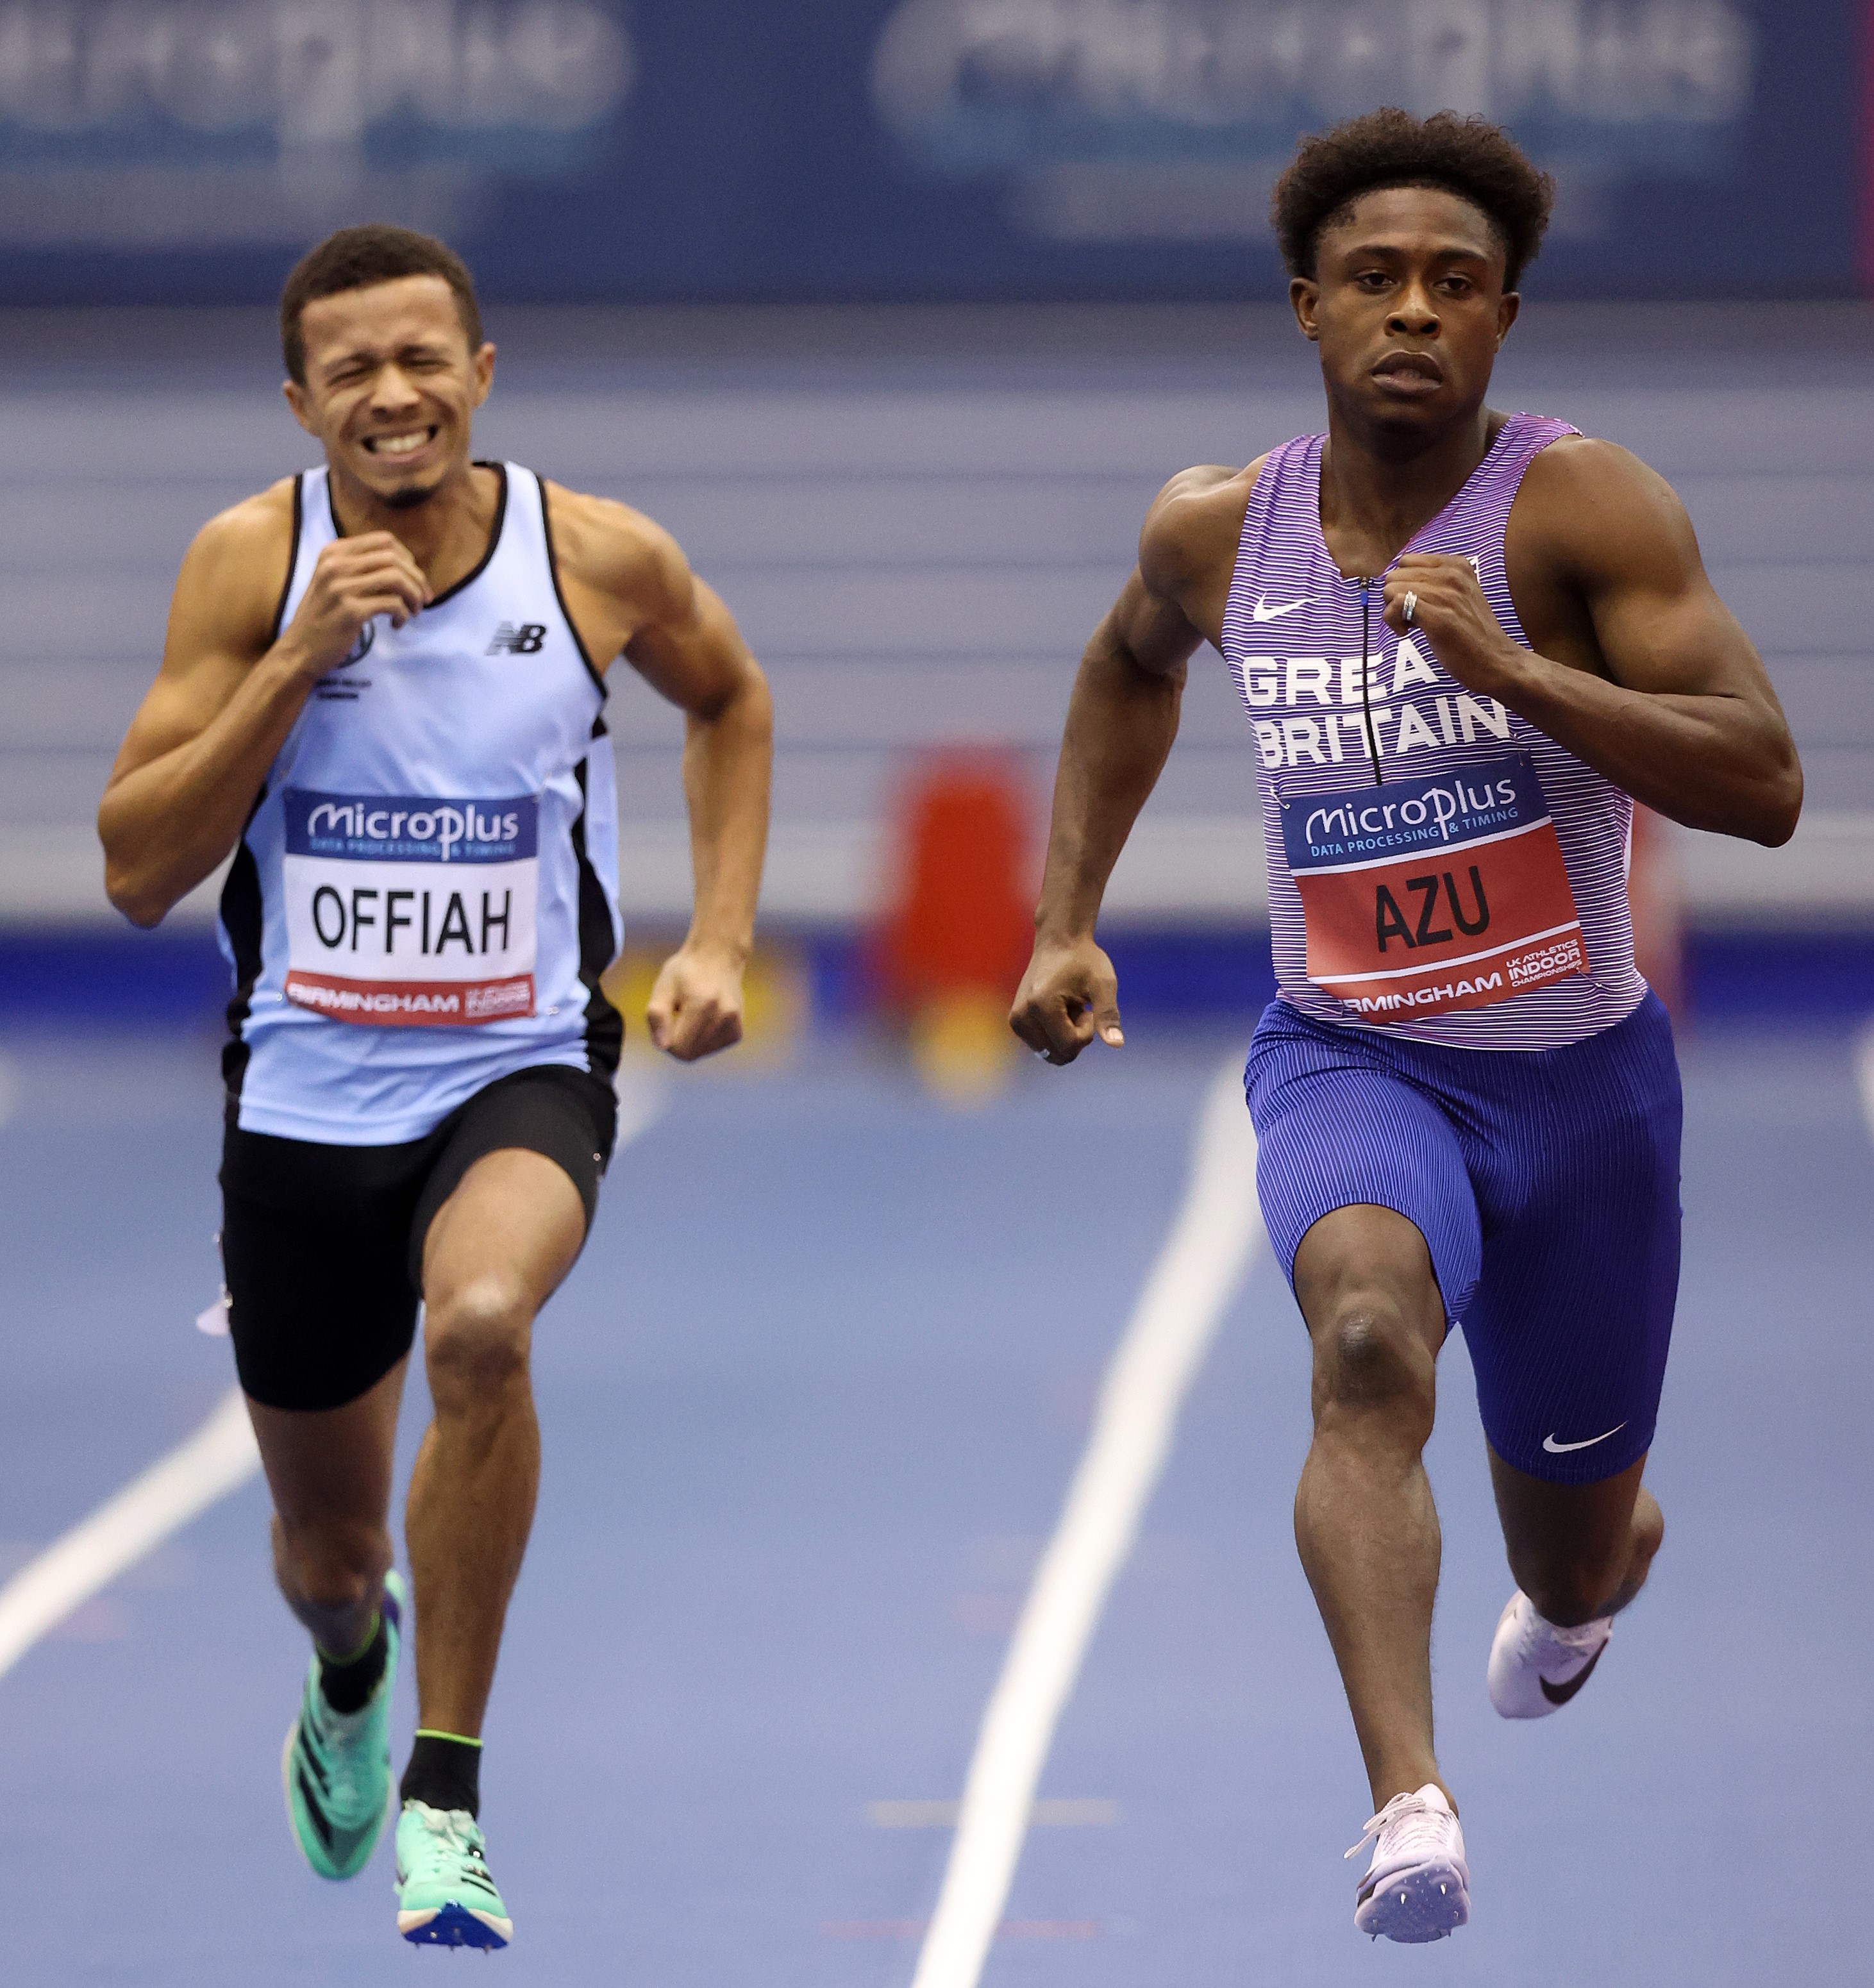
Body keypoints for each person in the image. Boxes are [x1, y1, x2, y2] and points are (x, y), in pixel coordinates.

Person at [1010, 109, 1800, 1944]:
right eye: (1374, 278)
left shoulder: (1585, 506)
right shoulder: (1216, 529)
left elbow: (1762, 782)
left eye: (1455, 284)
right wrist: (1064, 920)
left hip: (1584, 1101)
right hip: (1352, 1060)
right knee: (1363, 1338)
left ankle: (1601, 1556)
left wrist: (1516, 673)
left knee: (1567, 1541)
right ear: (1308, 306)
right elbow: (1126, 667)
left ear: (1502, 318)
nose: (1412, 312)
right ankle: (1408, 1806)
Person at [98, 225, 772, 1950]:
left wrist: (716, 938)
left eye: (422, 361)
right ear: (302, 399)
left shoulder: (595, 556)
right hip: (306, 1108)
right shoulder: (250, 564)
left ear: (480, 374)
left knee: (482, 1326)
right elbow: (136, 869)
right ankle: (352, 1674)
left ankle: (446, 1799)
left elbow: (733, 697)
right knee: (326, 1561)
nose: (391, 396)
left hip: (521, 1065)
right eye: (351, 371)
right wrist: (289, 664)